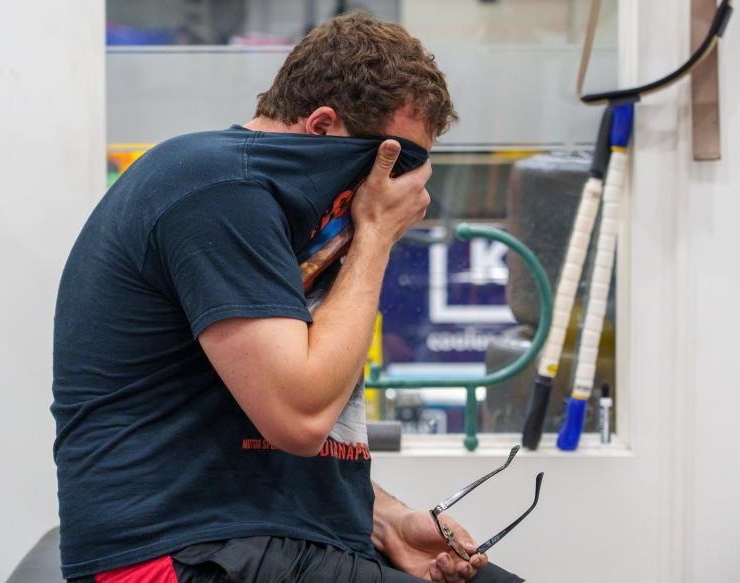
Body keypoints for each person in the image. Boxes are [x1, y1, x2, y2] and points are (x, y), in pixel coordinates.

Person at [52, 11, 525, 583]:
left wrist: (388, 522)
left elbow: (246, 445)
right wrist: (373, 238)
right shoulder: (219, 189)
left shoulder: (273, 212)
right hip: (171, 553)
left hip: (245, 536)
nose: (407, 192)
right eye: (399, 162)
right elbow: (298, 419)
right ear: (322, 126)